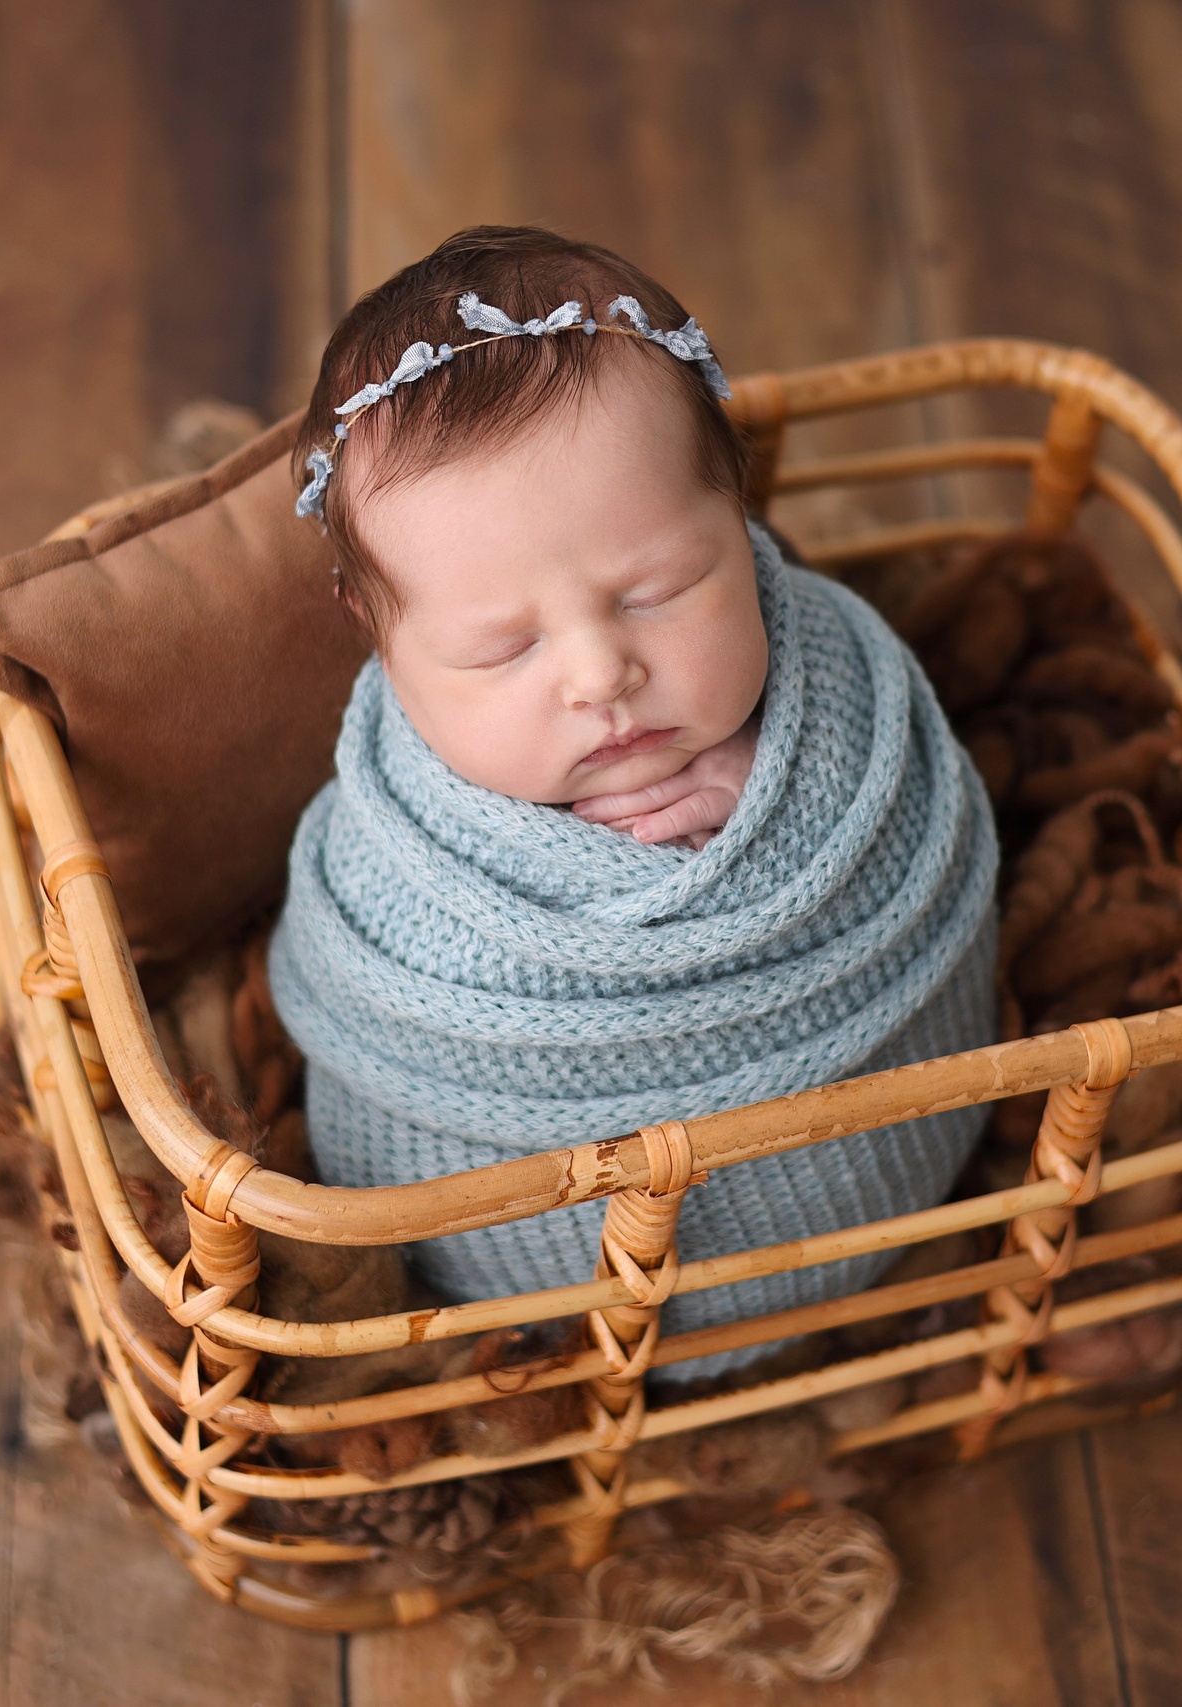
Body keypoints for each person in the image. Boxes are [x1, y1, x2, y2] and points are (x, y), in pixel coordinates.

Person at [268, 227, 997, 1377]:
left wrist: (778, 803)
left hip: (880, 1175)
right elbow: (365, 991)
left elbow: (909, 825)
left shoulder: (841, 691)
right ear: (385, 645)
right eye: (502, 649)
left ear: (739, 518)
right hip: (520, 1277)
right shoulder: (400, 846)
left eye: (658, 590)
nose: (599, 675)